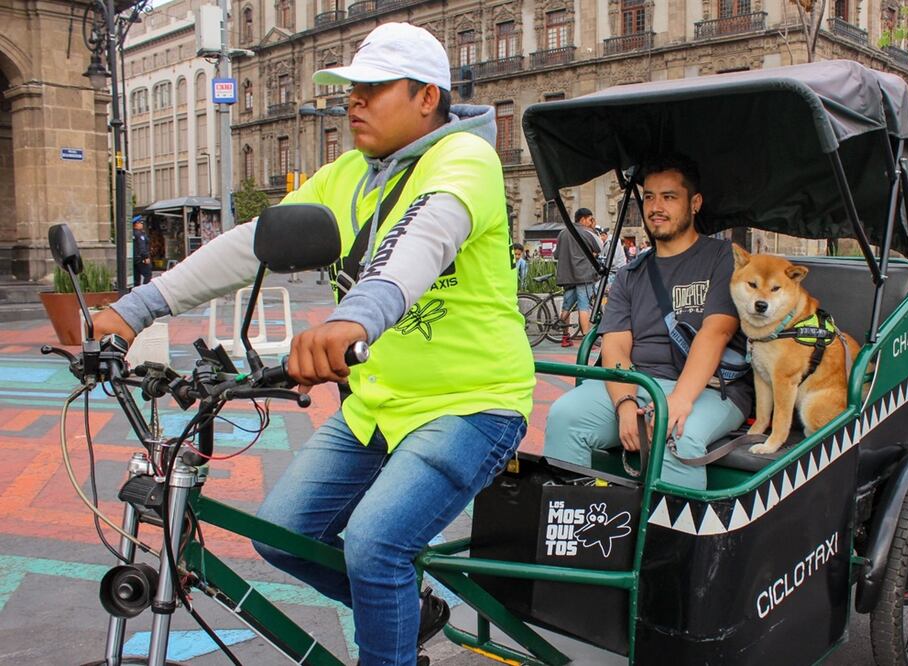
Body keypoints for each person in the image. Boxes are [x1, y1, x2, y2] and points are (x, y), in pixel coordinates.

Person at [91, 22, 534, 666]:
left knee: (376, 544)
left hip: (470, 404)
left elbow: (420, 240)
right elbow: (252, 242)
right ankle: (407, 609)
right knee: (282, 536)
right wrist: (137, 307)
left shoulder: (464, 160)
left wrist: (352, 320)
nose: (353, 102)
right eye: (350, 89)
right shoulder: (347, 175)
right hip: (377, 405)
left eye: (375, 88)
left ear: (427, 97)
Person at [544, 155, 753, 490]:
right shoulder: (631, 274)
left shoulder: (722, 258)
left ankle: (670, 539)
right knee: (565, 417)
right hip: (639, 383)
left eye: (669, 197)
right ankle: (582, 526)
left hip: (710, 388)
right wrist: (625, 403)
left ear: (694, 203)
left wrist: (678, 400)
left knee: (675, 438)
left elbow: (717, 332)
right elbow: (615, 344)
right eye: (650, 197)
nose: (657, 207)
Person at [553, 207, 602, 347]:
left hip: (567, 277)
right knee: (583, 307)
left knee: (566, 307)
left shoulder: (562, 233)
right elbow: (600, 247)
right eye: (590, 219)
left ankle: (565, 337)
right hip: (583, 276)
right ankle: (587, 342)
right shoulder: (586, 232)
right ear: (584, 219)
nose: (591, 222)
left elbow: (556, 255)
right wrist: (593, 229)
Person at [132, 219, 152, 287]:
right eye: (141, 223)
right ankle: (144, 291)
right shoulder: (140, 234)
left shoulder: (132, 233)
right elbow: (142, 247)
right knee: (148, 274)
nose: (142, 224)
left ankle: (136, 292)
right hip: (141, 258)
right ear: (136, 224)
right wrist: (146, 257)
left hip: (134, 259)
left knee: (136, 279)